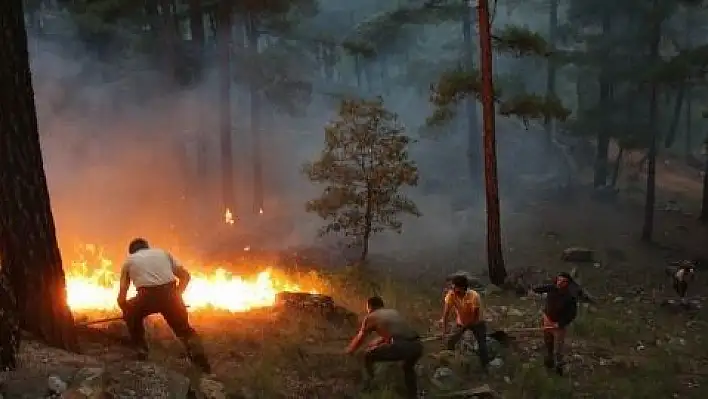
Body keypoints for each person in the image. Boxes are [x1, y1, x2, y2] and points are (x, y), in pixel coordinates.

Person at [117, 238, 211, 373]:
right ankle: (202, 365)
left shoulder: (129, 261)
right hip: (170, 294)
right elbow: (185, 276)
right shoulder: (163, 253)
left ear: (132, 252)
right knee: (185, 330)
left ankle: (141, 349)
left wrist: (127, 312)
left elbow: (121, 297)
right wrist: (177, 295)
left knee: (131, 314)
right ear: (148, 247)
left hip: (145, 297)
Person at [345, 296, 423, 399]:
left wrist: (349, 350)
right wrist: (378, 341)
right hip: (417, 345)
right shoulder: (393, 312)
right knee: (408, 368)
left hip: (401, 346)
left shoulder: (371, 316)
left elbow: (360, 338)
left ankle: (371, 387)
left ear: (370, 306)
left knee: (368, 356)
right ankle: (413, 396)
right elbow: (396, 332)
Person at [531, 272, 593, 375]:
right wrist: (533, 291)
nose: (559, 283)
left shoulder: (570, 297)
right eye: (558, 280)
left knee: (558, 348)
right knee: (548, 341)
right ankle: (549, 362)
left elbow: (572, 314)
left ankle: (559, 366)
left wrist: (560, 324)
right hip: (548, 319)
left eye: (563, 281)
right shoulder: (552, 288)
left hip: (558, 325)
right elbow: (538, 289)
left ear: (567, 283)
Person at [440, 275, 490, 372]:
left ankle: (485, 367)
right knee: (451, 341)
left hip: (477, 322)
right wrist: (444, 330)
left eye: (455, 287)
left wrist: (465, 329)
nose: (453, 290)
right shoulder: (451, 295)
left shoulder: (474, 296)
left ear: (463, 287)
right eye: (452, 287)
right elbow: (446, 314)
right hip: (461, 322)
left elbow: (474, 316)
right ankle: (451, 362)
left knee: (482, 344)